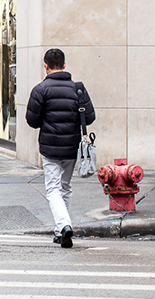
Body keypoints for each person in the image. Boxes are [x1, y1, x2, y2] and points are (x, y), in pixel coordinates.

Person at [25, 48, 95, 249]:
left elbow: (32, 120)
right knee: (65, 187)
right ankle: (60, 231)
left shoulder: (40, 90)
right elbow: (89, 117)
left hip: (50, 147)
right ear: (64, 65)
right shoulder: (78, 89)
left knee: (53, 188)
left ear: (45, 65)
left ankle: (64, 225)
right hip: (72, 147)